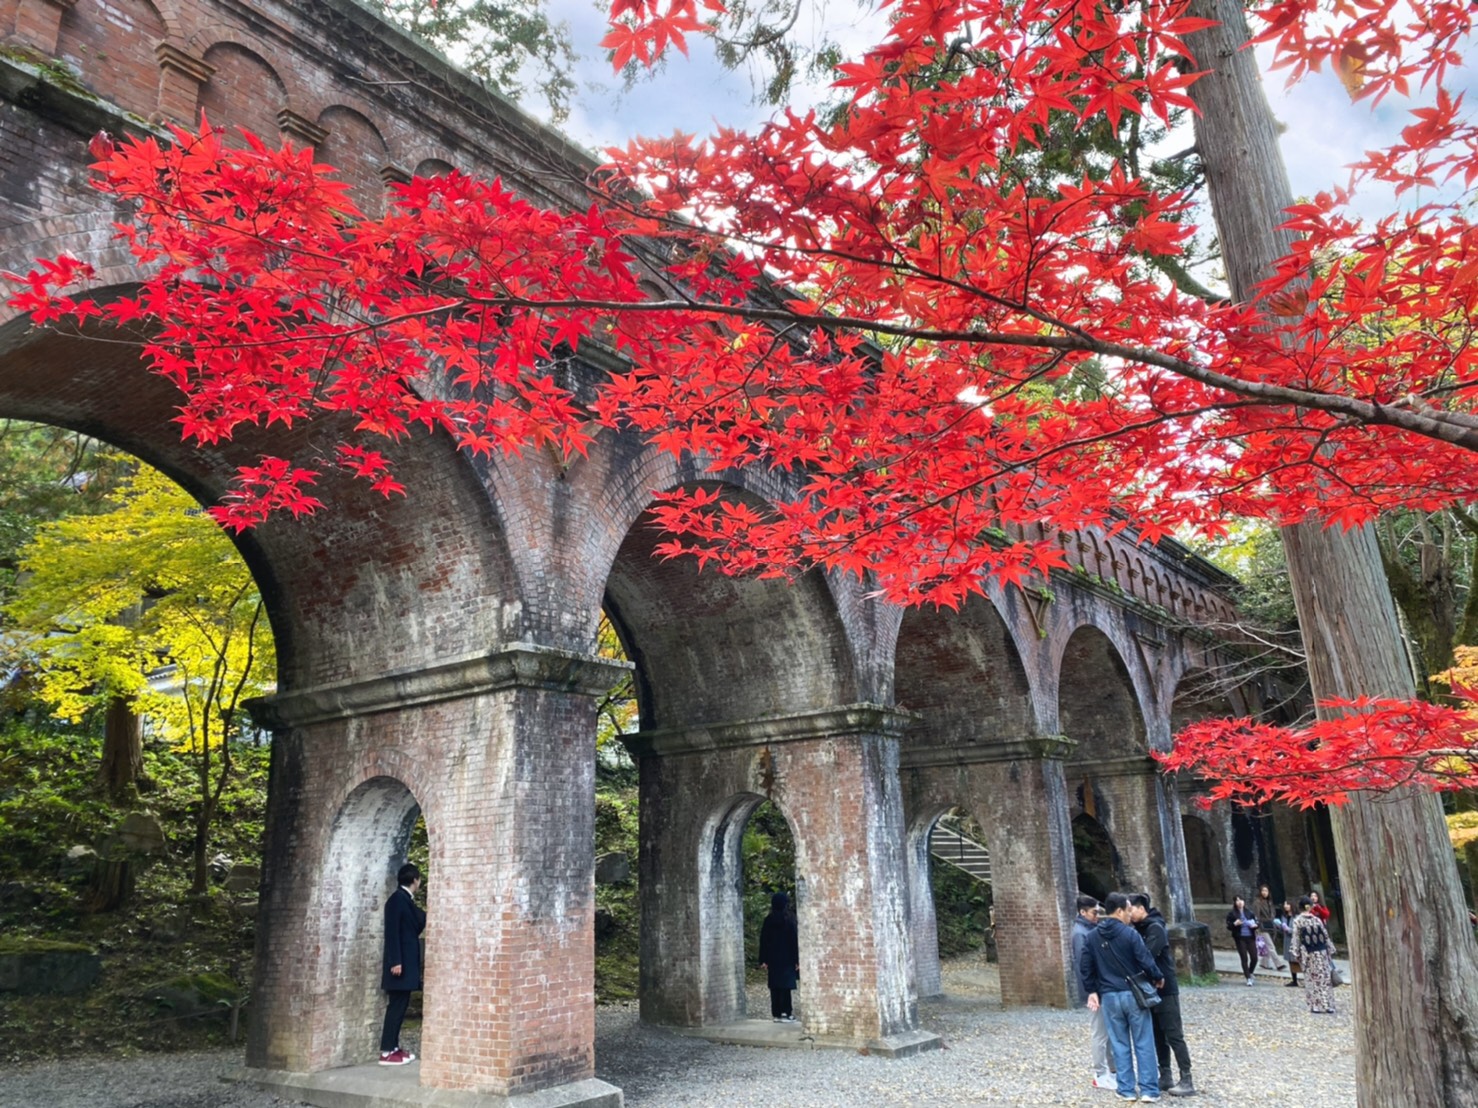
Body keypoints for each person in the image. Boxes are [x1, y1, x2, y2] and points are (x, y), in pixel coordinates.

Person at [1079, 891, 1163, 1103]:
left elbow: (1086, 966)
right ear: (1119, 911)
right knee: (1143, 1041)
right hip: (1132, 994)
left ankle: (1126, 1089)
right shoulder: (1130, 934)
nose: (1130, 914)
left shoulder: (1092, 936)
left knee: (1119, 1043)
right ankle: (1149, 1090)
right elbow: (1145, 960)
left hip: (1108, 995)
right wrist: (1157, 976)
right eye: (1127, 910)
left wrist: (1092, 990)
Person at [1128, 892, 1194, 1098]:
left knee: (1174, 1034)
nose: (1128, 914)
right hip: (1149, 989)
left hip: (1165, 990)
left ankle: (1187, 1078)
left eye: (1131, 909)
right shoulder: (1139, 929)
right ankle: (1165, 1074)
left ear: (1141, 909)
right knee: (1158, 1034)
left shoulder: (1155, 928)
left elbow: (1146, 956)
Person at [380, 862, 426, 1065]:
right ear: (415, 880)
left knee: (400, 1006)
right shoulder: (397, 900)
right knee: (396, 1007)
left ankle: (393, 1047)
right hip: (399, 965)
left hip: (405, 964)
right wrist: (396, 961)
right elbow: (391, 933)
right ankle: (386, 1052)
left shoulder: (405, 900)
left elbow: (415, 924)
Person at [1071, 894, 1115, 1090]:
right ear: (1083, 912)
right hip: (1095, 990)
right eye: (1094, 913)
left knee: (1106, 1031)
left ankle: (1110, 1070)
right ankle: (1100, 1073)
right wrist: (1091, 991)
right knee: (1099, 1033)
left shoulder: (1087, 930)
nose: (1097, 916)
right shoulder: (1081, 934)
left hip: (1099, 988)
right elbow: (1084, 966)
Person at [1287, 896, 1335, 1014]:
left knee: (1311, 978)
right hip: (1322, 952)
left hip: (1308, 953)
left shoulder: (1298, 921)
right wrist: (1329, 950)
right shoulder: (1317, 920)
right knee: (1324, 978)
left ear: (1299, 907)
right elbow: (1325, 936)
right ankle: (1328, 1005)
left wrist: (1296, 953)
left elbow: (1296, 938)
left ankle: (1316, 1005)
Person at [758, 891, 799, 1023]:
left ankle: (776, 1013)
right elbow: (794, 940)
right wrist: (797, 960)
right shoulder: (790, 920)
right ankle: (787, 1012)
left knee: (775, 986)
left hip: (773, 958)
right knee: (786, 987)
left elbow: (763, 940)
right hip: (787, 958)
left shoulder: (769, 920)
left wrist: (763, 959)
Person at [1225, 895, 1259, 985]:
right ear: (1235, 903)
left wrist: (1255, 926)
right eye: (1237, 900)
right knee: (1244, 957)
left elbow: (1256, 922)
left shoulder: (1249, 912)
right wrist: (1234, 924)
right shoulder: (1232, 914)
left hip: (1250, 937)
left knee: (1254, 957)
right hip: (1240, 938)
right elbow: (1229, 926)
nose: (1239, 902)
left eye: (1241, 900)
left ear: (1244, 902)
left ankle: (1250, 972)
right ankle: (1248, 978)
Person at [1274, 899, 1301, 987]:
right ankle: (1294, 980)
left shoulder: (1297, 917)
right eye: (1285, 904)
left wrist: (1288, 929)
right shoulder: (1284, 916)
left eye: (1287, 904)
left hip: (1296, 941)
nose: (1285, 906)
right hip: (1287, 941)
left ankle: (1307, 979)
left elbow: (1299, 930)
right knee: (1291, 961)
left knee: (1299, 960)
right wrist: (1279, 926)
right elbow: (1283, 930)